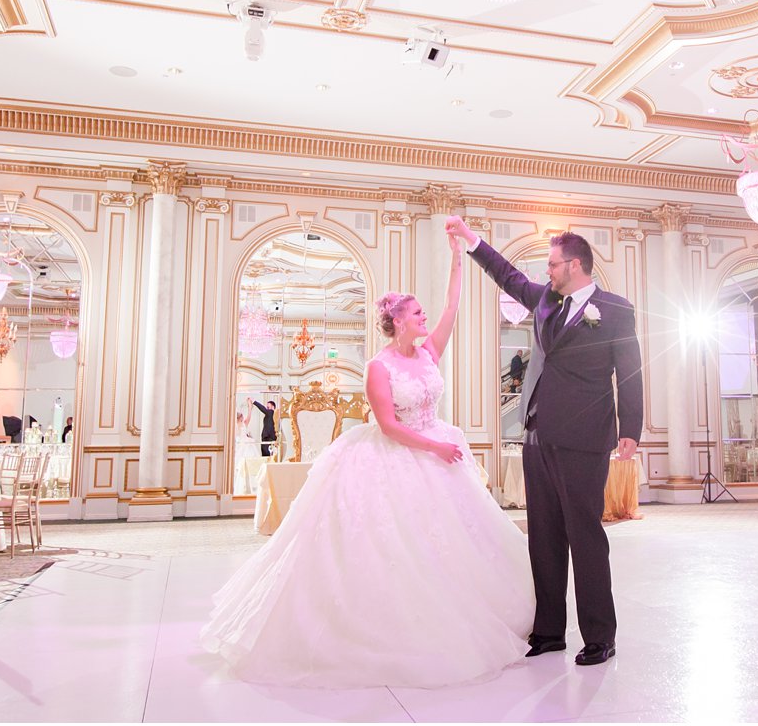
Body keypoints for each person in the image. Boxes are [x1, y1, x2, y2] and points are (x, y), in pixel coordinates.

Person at [200, 234, 533, 688]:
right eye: (417, 313)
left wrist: (458, 257)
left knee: (452, 542)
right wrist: (434, 447)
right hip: (401, 453)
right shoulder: (379, 367)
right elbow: (389, 425)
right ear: (397, 320)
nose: (425, 318)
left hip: (438, 450)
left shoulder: (429, 351)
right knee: (391, 543)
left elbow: (453, 307)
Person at [445, 217, 643, 668]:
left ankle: (599, 636)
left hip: (585, 437)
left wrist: (631, 427)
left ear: (575, 265)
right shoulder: (546, 301)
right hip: (538, 435)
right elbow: (507, 274)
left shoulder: (615, 309)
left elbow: (629, 371)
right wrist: (471, 239)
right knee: (545, 538)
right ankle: (550, 631)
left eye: (553, 264)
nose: (547, 271)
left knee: (585, 535)